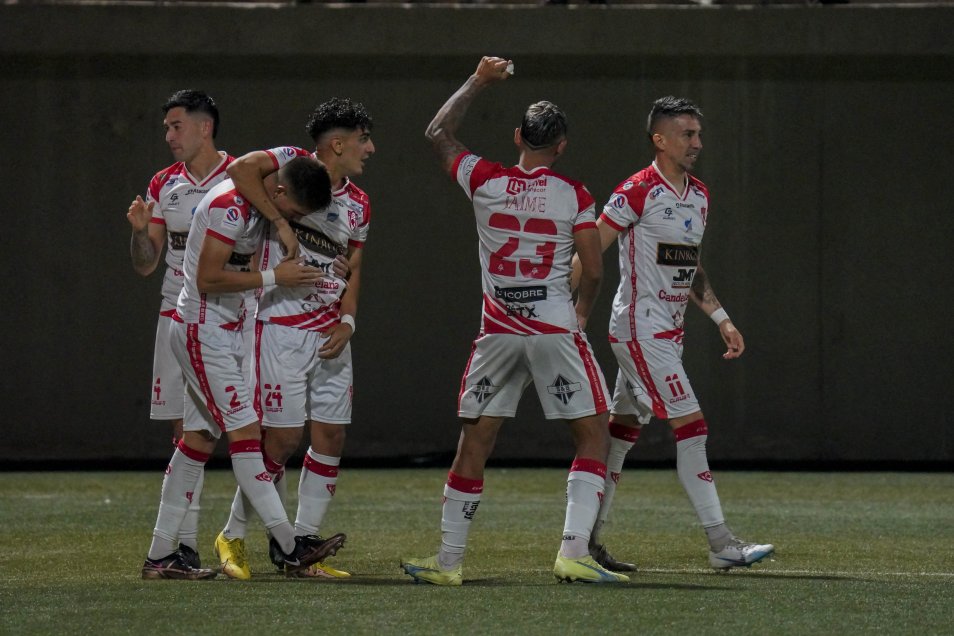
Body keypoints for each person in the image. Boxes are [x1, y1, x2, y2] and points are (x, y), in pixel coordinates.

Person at [400, 56, 627, 586]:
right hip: (552, 328)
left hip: (499, 330)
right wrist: (581, 315)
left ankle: (449, 562)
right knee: (592, 436)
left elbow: (438, 131)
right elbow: (592, 268)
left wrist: (479, 79)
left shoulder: (484, 179)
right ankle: (572, 551)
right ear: (561, 147)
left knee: (474, 442)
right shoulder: (575, 194)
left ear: (517, 135)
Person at [573, 95, 774, 571]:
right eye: (687, 134)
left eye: (698, 134)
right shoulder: (637, 191)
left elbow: (690, 267)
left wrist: (721, 317)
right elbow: (592, 252)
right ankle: (721, 543)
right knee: (692, 427)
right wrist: (558, 302)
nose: (696, 143)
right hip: (640, 332)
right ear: (659, 140)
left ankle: (587, 543)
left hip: (668, 332)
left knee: (619, 437)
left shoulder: (699, 195)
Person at [141, 155, 346, 580]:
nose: (286, 220)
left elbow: (253, 169)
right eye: (290, 213)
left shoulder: (280, 173)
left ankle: (160, 556)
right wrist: (276, 278)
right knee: (247, 435)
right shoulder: (228, 208)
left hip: (228, 329)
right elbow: (206, 280)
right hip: (203, 330)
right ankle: (290, 547)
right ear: (280, 193)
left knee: (197, 441)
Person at [211, 98, 374, 581]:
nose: (371, 149)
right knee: (280, 441)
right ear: (337, 144)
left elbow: (356, 266)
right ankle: (233, 534)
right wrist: (280, 222)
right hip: (280, 327)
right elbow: (240, 169)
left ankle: (299, 548)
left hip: (330, 334)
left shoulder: (360, 202)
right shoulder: (288, 163)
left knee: (331, 436)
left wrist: (349, 321)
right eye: (364, 139)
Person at [126, 89, 233, 567]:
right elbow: (147, 265)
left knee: (241, 431)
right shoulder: (163, 185)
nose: (169, 136)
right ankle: (182, 546)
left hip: (229, 320)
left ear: (204, 126)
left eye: (176, 126)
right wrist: (138, 232)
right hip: (177, 318)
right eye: (167, 128)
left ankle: (273, 538)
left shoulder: (241, 175)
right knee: (187, 432)